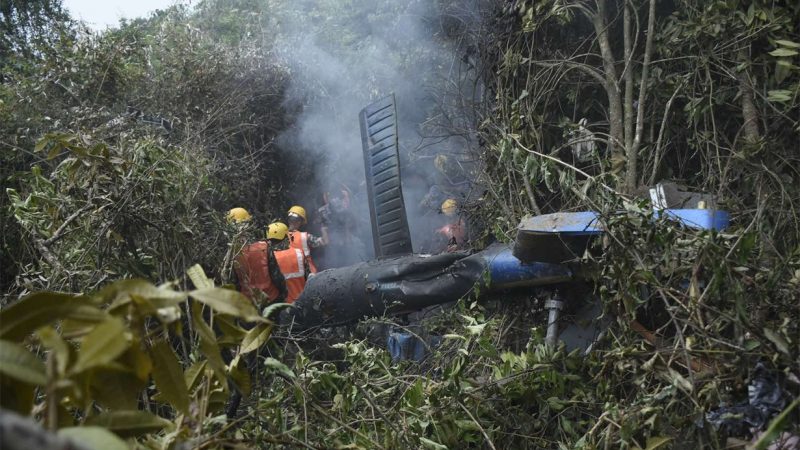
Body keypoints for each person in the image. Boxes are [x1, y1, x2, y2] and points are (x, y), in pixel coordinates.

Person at [233, 216, 287, 304]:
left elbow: (235, 283)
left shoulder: (232, 255)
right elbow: (276, 276)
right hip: (270, 297)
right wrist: (283, 292)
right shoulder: (263, 247)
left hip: (247, 302)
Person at [268, 222, 311, 304]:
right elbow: (308, 278)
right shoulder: (299, 253)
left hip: (282, 306)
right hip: (301, 301)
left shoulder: (269, 258)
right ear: (287, 238)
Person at [286, 205, 328, 273]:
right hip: (308, 274)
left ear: (288, 220)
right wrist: (323, 226)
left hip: (290, 275)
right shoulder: (305, 237)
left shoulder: (280, 237)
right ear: (300, 222)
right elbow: (325, 241)